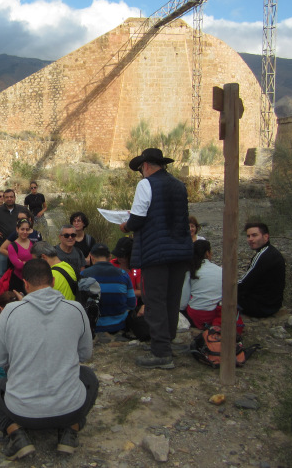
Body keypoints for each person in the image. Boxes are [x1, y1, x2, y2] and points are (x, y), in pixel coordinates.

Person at [0, 259, 99, 460]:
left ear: (25, 284)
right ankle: (70, 431)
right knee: (89, 377)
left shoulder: (11, 312)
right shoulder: (76, 310)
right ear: (53, 281)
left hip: (22, 414)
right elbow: (85, 355)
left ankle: (16, 434)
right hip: (69, 410)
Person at [120, 148, 192, 369]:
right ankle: (167, 341)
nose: (141, 173)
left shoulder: (146, 184)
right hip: (180, 250)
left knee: (155, 301)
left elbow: (139, 216)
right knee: (172, 298)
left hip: (156, 250)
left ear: (146, 166)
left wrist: (126, 225)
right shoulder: (179, 185)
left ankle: (161, 352)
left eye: (141, 168)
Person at [80, 243, 136, 333]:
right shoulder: (123, 274)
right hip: (119, 325)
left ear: (92, 257)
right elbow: (132, 304)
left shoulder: (84, 275)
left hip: (94, 327)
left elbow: (80, 304)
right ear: (110, 257)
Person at [237, 222, 286, 318]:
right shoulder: (272, 252)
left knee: (221, 297)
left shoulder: (263, 255)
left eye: (254, 235)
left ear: (266, 237)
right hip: (273, 304)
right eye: (248, 236)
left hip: (261, 307)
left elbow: (245, 283)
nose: (250, 239)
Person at [0, 189, 26, 286]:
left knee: (19, 273)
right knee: (1, 274)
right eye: (7, 197)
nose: (9, 199)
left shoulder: (21, 209)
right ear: (4, 198)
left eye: (11, 197)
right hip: (2, 247)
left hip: (19, 248)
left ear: (15, 198)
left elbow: (30, 220)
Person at [180, 240, 223, 329]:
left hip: (196, 315)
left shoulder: (190, 271)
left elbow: (183, 303)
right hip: (215, 313)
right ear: (207, 253)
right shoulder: (220, 270)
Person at [6, 218, 35, 294]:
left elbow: (38, 261)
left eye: (27, 229)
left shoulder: (33, 244)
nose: (25, 232)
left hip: (32, 280)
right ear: (17, 229)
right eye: (22, 229)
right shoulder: (12, 246)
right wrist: (30, 263)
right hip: (18, 280)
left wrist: (23, 262)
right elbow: (18, 265)